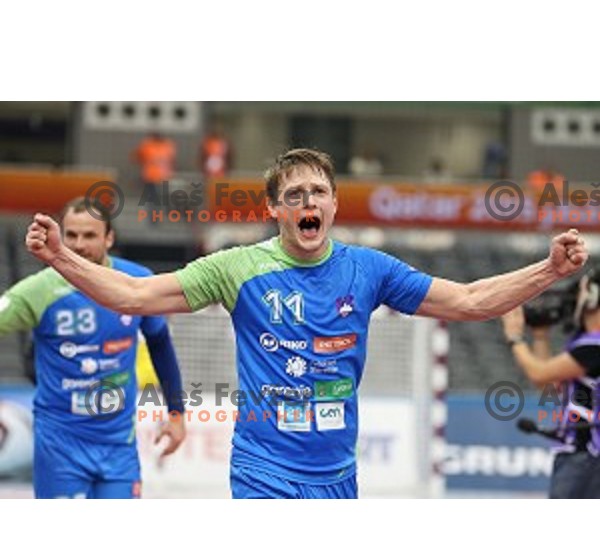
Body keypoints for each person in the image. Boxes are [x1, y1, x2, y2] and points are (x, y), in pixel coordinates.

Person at [25, 149, 588, 499]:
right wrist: (61, 259)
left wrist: (547, 270)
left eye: (317, 191)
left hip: (338, 475)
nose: (307, 200)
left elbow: (467, 300)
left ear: (335, 205)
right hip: (261, 471)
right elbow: (136, 294)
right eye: (294, 194)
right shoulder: (239, 266)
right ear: (276, 209)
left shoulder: (369, 269)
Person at [1, 198, 185, 499]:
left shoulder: (137, 282)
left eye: (89, 235)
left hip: (118, 444)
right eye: (71, 235)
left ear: (109, 238)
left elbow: (161, 344)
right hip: (60, 445)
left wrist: (176, 414)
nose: (78, 244)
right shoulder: (39, 290)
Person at [502, 270, 600, 498]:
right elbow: (551, 388)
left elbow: (539, 374)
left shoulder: (593, 348)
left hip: (586, 456)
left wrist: (514, 337)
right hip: (583, 456)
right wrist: (540, 337)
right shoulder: (588, 346)